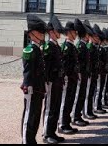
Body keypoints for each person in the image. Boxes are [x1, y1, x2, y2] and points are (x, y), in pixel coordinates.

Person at [21, 14, 46, 144]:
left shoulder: (38, 49)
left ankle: (32, 140)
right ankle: (26, 141)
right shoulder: (30, 50)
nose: (42, 34)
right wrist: (27, 85)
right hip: (32, 88)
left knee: (35, 116)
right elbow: (27, 71)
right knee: (29, 116)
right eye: (40, 32)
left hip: (38, 88)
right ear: (32, 33)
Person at [42, 15, 65, 144]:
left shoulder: (56, 46)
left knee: (56, 107)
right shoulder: (48, 47)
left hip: (58, 81)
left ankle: (52, 132)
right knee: (50, 108)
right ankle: (46, 134)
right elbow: (46, 68)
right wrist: (46, 82)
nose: (59, 33)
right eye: (57, 31)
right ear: (51, 32)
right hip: (51, 82)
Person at [57, 21, 79, 135]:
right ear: (69, 32)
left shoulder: (72, 46)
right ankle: (62, 124)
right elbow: (65, 65)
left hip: (73, 79)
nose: (76, 34)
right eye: (74, 32)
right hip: (68, 79)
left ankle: (67, 122)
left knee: (70, 101)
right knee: (65, 102)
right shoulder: (66, 47)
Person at [72, 18, 91, 127]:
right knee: (78, 96)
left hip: (85, 74)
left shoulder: (84, 45)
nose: (89, 36)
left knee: (82, 95)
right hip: (81, 75)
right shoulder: (80, 45)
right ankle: (75, 117)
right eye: (88, 34)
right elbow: (78, 62)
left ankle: (78, 115)